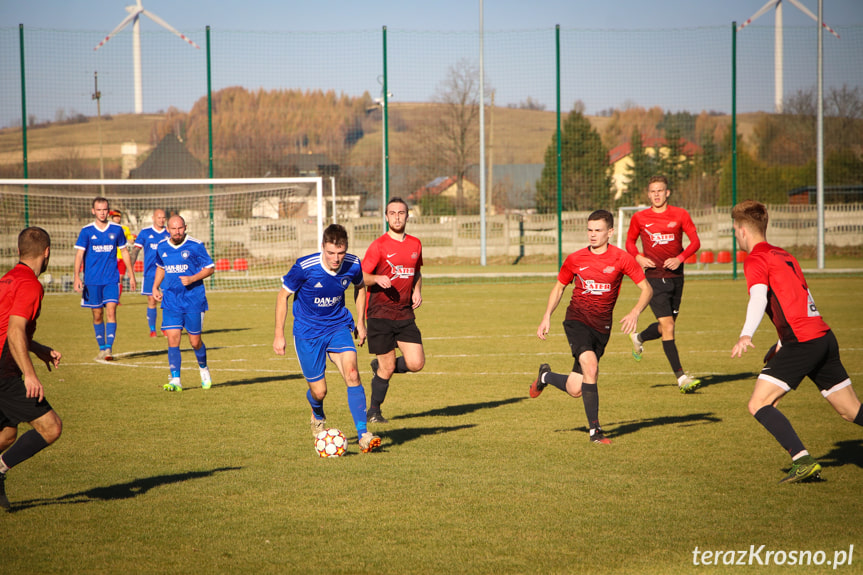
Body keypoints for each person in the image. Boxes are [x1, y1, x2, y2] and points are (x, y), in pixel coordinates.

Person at [730, 200, 862, 483]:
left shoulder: (755, 258)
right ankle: (802, 459)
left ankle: (802, 460)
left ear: (742, 230)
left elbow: (759, 297)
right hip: (822, 337)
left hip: (803, 342)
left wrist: (746, 334)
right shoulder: (784, 255)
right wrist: (780, 342)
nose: (734, 235)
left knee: (759, 404)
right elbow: (798, 300)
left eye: (734, 229)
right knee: (852, 412)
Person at [531, 210, 653, 444]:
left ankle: (545, 376)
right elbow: (559, 288)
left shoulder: (622, 258)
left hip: (602, 328)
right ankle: (595, 431)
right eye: (589, 230)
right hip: (577, 320)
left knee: (576, 388)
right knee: (591, 365)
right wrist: (547, 316)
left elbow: (647, 289)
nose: (593, 234)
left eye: (598, 230)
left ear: (610, 232)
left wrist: (635, 311)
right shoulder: (575, 258)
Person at [273, 224, 381, 453]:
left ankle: (363, 435)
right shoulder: (305, 267)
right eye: (331, 253)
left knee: (352, 373)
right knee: (319, 391)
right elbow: (283, 296)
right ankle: (317, 413)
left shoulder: (353, 263)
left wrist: (361, 322)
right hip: (307, 332)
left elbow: (360, 287)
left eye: (340, 253)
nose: (336, 258)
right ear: (322, 247)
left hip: (338, 326)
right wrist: (278, 334)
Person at [0, 227, 63, 510]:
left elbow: (10, 328)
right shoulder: (30, 284)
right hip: (5, 371)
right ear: (46, 252)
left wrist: (38, 350)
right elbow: (14, 332)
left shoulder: (7, 279)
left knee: (7, 435)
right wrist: (30, 374)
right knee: (50, 427)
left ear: (19, 251)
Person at [625, 175, 702, 393]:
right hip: (653, 279)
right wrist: (638, 257)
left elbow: (695, 242)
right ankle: (681, 378)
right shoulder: (640, 218)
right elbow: (629, 242)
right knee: (668, 327)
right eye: (653, 191)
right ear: (648, 194)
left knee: (665, 327)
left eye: (660, 190)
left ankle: (638, 337)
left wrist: (680, 258)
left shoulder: (680, 214)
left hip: (677, 278)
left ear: (667, 192)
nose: (656, 194)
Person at [362, 197, 425, 423]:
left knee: (416, 363)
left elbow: (416, 272)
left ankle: (380, 367)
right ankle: (374, 412)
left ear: (407, 216)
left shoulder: (415, 244)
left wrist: (417, 290)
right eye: (392, 213)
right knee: (387, 367)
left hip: (405, 313)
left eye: (401, 212)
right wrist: (377, 277)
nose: (397, 216)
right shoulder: (378, 245)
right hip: (380, 313)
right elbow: (360, 277)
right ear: (386, 217)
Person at [152, 215, 215, 392]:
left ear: (185, 227)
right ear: (167, 229)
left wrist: (193, 278)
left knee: (195, 342)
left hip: (194, 301)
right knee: (173, 339)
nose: (177, 232)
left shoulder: (196, 245)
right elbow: (161, 267)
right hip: (171, 300)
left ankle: (203, 369)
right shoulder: (162, 246)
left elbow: (210, 267)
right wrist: (155, 287)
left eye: (180, 228)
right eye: (173, 229)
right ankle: (176, 379)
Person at [74, 197, 136, 361]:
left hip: (111, 279)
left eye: (105, 210)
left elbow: (124, 252)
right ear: (93, 211)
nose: (102, 213)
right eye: (99, 210)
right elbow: (79, 254)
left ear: (108, 211)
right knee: (97, 315)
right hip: (92, 281)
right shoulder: (86, 231)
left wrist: (131, 274)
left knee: (111, 311)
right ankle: (101, 347)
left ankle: (108, 349)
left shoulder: (116, 230)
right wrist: (76, 277)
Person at [132, 209, 169, 337]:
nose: (161, 220)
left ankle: (165, 327)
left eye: (163, 217)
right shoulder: (145, 233)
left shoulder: (169, 233)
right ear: (153, 218)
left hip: (166, 273)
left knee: (167, 299)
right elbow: (136, 250)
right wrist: (130, 267)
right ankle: (152, 329)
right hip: (150, 273)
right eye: (159, 217)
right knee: (151, 300)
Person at [110, 209, 136, 299]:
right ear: (112, 218)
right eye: (115, 217)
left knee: (120, 278)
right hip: (111, 257)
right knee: (111, 278)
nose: (117, 218)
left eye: (118, 217)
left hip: (122, 257)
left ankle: (117, 299)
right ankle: (109, 297)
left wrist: (133, 239)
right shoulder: (108, 228)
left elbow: (131, 240)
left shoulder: (125, 228)